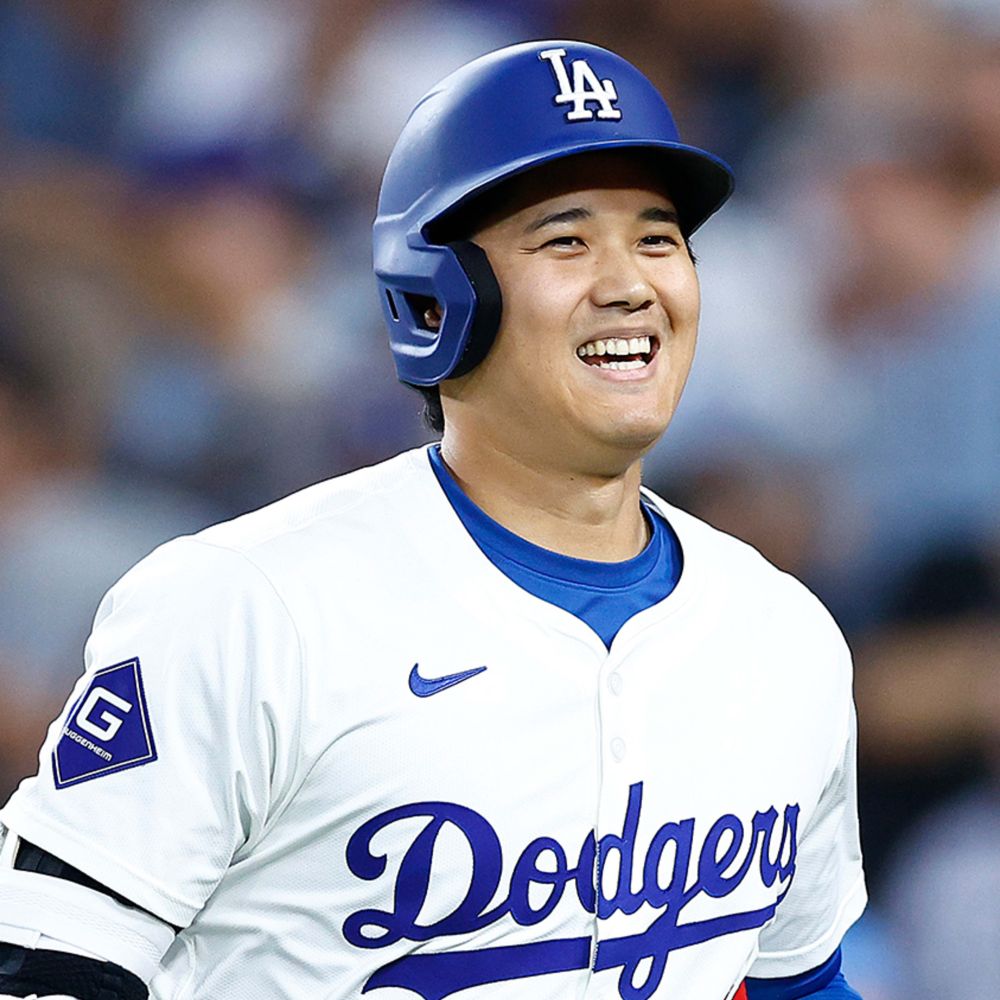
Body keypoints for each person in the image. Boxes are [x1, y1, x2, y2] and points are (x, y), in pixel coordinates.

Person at [0, 41, 866, 1000]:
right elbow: (49, 965)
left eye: (658, 239)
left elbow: (797, 980)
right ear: (435, 296)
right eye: (566, 240)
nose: (631, 283)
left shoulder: (786, 637)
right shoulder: (245, 603)